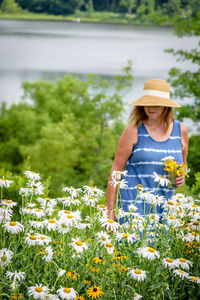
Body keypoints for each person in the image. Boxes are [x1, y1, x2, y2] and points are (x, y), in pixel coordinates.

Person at [107, 78, 189, 221]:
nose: (151, 107)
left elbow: (183, 165)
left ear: (166, 106)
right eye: (147, 103)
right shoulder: (133, 130)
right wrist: (109, 212)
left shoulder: (180, 130)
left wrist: (181, 176)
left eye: (156, 104)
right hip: (132, 209)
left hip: (165, 208)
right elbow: (116, 171)